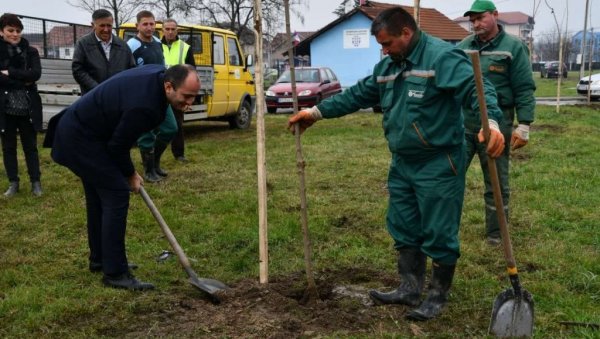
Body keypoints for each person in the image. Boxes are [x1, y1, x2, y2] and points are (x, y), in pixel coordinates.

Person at [288, 6, 505, 321]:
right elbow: (359, 94)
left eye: (387, 43)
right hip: (403, 162)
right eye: (381, 45)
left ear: (407, 32)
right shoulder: (388, 66)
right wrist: (315, 113)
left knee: (439, 230)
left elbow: (478, 89)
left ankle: (436, 296)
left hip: (439, 160)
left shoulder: (441, 58)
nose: (383, 50)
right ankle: (409, 287)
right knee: (403, 224)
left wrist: (493, 124)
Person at [45, 64, 201, 290]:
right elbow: (118, 147)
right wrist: (130, 174)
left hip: (87, 132)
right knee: (117, 193)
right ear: (169, 86)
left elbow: (117, 142)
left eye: (194, 97)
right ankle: (116, 273)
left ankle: (101, 259)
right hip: (80, 139)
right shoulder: (146, 106)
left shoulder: (159, 74)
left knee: (99, 197)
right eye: (186, 96)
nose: (190, 103)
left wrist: (127, 171)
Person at [458, 0, 536, 245]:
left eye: (480, 18)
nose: (476, 24)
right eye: (472, 20)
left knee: (496, 181)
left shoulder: (513, 47)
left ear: (495, 15)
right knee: (449, 175)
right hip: (462, 122)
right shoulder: (463, 47)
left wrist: (524, 125)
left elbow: (524, 88)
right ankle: (446, 228)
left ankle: (496, 234)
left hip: (497, 122)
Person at [127, 10, 177, 182]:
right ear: (137, 26)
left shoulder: (157, 42)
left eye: (152, 24)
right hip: (142, 95)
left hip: (160, 94)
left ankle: (155, 163)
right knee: (146, 133)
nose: (149, 27)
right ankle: (148, 170)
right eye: (145, 24)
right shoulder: (132, 45)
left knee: (170, 128)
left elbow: (162, 67)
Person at [0, 13, 43, 197]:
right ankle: (13, 183)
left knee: (30, 146)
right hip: (5, 108)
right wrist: (22, 80)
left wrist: (9, 72)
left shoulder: (31, 51)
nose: (15, 34)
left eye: (18, 30)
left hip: (28, 108)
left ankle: (35, 182)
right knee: (8, 148)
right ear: (1, 32)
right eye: (10, 30)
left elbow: (35, 75)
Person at [71, 9, 135, 95]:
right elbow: (78, 70)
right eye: (102, 25)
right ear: (93, 25)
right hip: (92, 98)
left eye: (109, 25)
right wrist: (97, 89)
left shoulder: (123, 45)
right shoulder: (83, 44)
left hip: (117, 97)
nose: (106, 29)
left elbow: (131, 70)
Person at [161, 18, 196, 163]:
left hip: (177, 92)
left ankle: (179, 154)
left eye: (172, 29)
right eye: (167, 29)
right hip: (159, 89)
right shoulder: (156, 46)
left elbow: (191, 72)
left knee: (177, 125)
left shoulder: (185, 47)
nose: (170, 32)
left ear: (177, 30)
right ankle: (153, 155)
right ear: (162, 30)